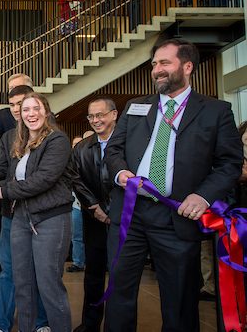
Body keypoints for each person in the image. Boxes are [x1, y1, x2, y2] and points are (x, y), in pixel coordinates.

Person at [104, 38, 243, 331]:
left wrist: (203, 196)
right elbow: (114, 150)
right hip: (130, 214)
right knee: (119, 294)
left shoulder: (216, 111)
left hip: (177, 216)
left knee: (179, 299)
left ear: (188, 66)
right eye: (154, 64)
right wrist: (120, 174)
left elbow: (230, 164)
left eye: (164, 63)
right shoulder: (135, 106)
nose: (157, 70)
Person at [0, 92, 73, 332]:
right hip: (20, 218)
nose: (30, 114)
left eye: (35, 108)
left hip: (50, 218)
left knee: (48, 285)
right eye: (25, 110)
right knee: (23, 282)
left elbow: (42, 180)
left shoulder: (57, 140)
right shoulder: (19, 141)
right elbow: (8, 173)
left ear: (45, 112)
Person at [0, 85, 49, 332]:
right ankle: (1, 324)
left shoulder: (52, 138)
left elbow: (41, 180)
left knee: (39, 271)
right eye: (16, 105)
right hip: (11, 213)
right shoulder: (9, 136)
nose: (20, 109)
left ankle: (42, 323)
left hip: (41, 216)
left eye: (26, 104)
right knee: (7, 271)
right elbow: (1, 169)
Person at [71, 97, 118, 332]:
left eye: (101, 115)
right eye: (91, 116)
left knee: (121, 276)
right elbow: (76, 180)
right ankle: (89, 325)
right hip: (94, 220)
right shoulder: (82, 147)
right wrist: (95, 207)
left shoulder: (128, 143)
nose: (96, 120)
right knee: (94, 276)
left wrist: (111, 210)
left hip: (124, 220)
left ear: (114, 115)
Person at [67, 136, 85, 274]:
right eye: (74, 144)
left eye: (79, 144)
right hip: (76, 205)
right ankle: (78, 262)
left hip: (94, 205)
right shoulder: (68, 161)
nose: (76, 146)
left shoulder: (90, 158)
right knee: (76, 235)